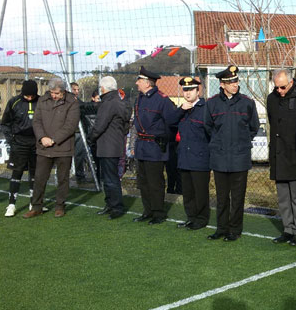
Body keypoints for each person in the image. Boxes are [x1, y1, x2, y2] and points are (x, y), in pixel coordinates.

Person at [204, 65, 259, 241]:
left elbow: (254, 127)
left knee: (237, 197)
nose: (235, 84)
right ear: (222, 84)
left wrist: (240, 143)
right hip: (219, 157)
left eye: (236, 81)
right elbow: (208, 127)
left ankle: (235, 230)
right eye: (230, 82)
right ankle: (221, 229)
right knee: (221, 197)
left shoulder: (247, 103)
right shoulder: (212, 103)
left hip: (240, 158)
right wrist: (219, 143)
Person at [266, 68, 296, 246]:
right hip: (279, 155)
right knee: (283, 197)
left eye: (283, 87)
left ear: (291, 82)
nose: (280, 91)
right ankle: (288, 229)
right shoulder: (272, 99)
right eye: (276, 87)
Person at [23, 78, 80, 218]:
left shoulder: (72, 102)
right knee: (40, 177)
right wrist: (42, 137)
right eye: (51, 92)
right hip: (44, 147)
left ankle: (60, 206)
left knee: (63, 178)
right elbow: (36, 121)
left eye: (56, 93)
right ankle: (36, 206)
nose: (53, 95)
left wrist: (54, 140)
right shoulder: (43, 100)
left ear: (63, 91)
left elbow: (70, 126)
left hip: (63, 147)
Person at [132, 67, 178, 224]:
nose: (137, 83)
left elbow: (172, 122)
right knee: (143, 182)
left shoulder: (162, 100)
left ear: (147, 83)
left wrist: (164, 139)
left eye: (139, 80)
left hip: (155, 146)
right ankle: (148, 211)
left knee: (155, 182)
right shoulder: (140, 98)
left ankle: (158, 213)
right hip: (141, 146)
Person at [171, 76, 211, 230]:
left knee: (200, 192)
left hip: (200, 158)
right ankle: (191, 217)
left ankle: (201, 219)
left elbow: (211, 133)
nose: (187, 93)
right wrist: (181, 110)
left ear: (198, 91)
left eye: (191, 90)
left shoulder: (205, 108)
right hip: (184, 157)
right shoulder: (182, 109)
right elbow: (170, 122)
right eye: (185, 90)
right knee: (187, 192)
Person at [87, 76, 131, 219]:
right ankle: (111, 204)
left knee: (110, 178)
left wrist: (91, 138)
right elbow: (125, 124)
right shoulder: (120, 101)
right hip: (114, 143)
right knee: (109, 177)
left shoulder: (108, 103)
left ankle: (116, 207)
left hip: (107, 145)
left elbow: (100, 125)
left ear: (103, 88)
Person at [1, 80, 39, 217]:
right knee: (17, 173)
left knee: (35, 174)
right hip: (19, 143)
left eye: (32, 96)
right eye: (27, 96)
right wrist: (12, 140)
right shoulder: (14, 102)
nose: (30, 98)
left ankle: (33, 203)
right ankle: (11, 204)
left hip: (36, 143)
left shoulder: (41, 102)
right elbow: (5, 124)